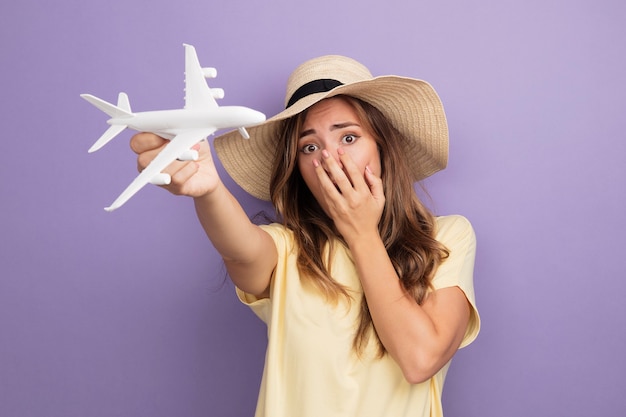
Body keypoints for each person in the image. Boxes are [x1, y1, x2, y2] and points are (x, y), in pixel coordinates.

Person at [131, 55, 480, 417]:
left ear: (383, 148)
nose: (330, 159)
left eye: (348, 137)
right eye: (309, 147)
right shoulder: (288, 250)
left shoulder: (447, 238)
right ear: (298, 170)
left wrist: (361, 232)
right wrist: (209, 190)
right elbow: (242, 252)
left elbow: (420, 359)